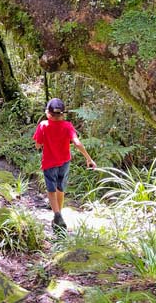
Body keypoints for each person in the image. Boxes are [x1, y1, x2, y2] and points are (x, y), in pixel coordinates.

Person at [33, 97, 96, 231]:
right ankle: (59, 213)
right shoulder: (67, 126)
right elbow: (77, 143)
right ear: (62, 114)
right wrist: (89, 159)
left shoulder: (43, 125)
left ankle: (56, 215)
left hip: (49, 163)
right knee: (60, 188)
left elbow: (38, 146)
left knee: (51, 190)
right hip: (64, 162)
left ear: (48, 113)